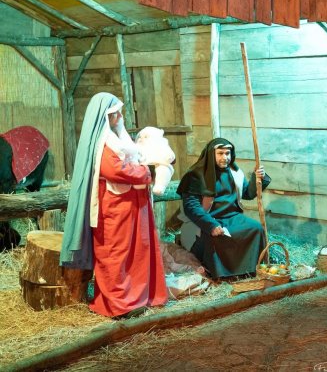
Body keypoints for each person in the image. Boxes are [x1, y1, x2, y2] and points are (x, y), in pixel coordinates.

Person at [60, 92, 167, 318]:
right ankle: (118, 304)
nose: (120, 116)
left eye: (119, 111)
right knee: (115, 252)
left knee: (136, 252)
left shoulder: (119, 137)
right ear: (105, 115)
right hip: (114, 207)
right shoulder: (102, 142)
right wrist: (146, 172)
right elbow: (115, 170)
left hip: (131, 205)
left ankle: (137, 298)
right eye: (115, 112)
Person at [177, 138, 271, 280]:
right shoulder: (196, 175)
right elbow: (191, 207)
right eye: (220, 153)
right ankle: (223, 275)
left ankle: (251, 269)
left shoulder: (234, 171)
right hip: (209, 219)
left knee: (256, 228)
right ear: (211, 154)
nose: (225, 157)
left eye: (227, 153)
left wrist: (258, 179)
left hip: (233, 217)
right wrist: (211, 225)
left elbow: (248, 193)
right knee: (216, 237)